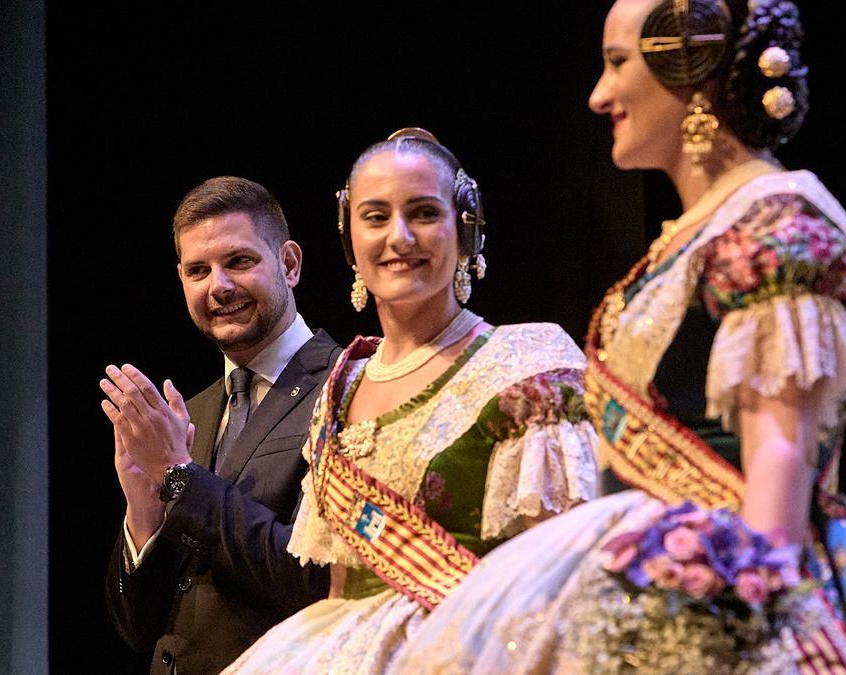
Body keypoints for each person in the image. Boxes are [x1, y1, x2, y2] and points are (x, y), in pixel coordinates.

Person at [391, 1, 846, 673]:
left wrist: (741, 621)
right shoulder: (698, 231)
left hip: (733, 573)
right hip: (641, 557)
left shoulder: (780, 223)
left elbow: (781, 455)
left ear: (694, 73)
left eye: (619, 64)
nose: (598, 95)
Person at [221, 129, 600, 674]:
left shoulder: (527, 363)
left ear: (464, 229)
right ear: (349, 238)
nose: (399, 237)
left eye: (423, 213)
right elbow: (339, 582)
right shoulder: (339, 387)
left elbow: (564, 572)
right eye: (375, 217)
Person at [100, 176, 341, 674]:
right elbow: (138, 629)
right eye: (198, 271)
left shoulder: (346, 388)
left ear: (289, 264)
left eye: (239, 261)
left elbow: (315, 580)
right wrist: (143, 517)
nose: (219, 286)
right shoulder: (193, 412)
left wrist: (180, 476)